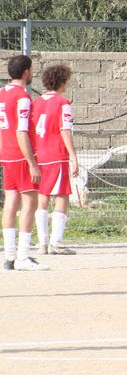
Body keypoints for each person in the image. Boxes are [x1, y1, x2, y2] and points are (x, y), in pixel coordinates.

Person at [0, 55, 47, 270]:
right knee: (30, 202)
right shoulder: (22, 97)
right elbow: (21, 131)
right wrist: (32, 163)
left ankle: (9, 256)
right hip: (20, 155)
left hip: (6, 154)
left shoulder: (2, 93)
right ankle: (23, 256)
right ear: (26, 72)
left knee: (11, 200)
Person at [32, 64, 79, 255]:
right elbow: (65, 130)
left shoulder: (36, 102)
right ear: (62, 81)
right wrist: (73, 156)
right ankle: (56, 242)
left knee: (42, 196)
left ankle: (42, 243)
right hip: (56, 155)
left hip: (38, 155)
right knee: (62, 195)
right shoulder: (63, 103)